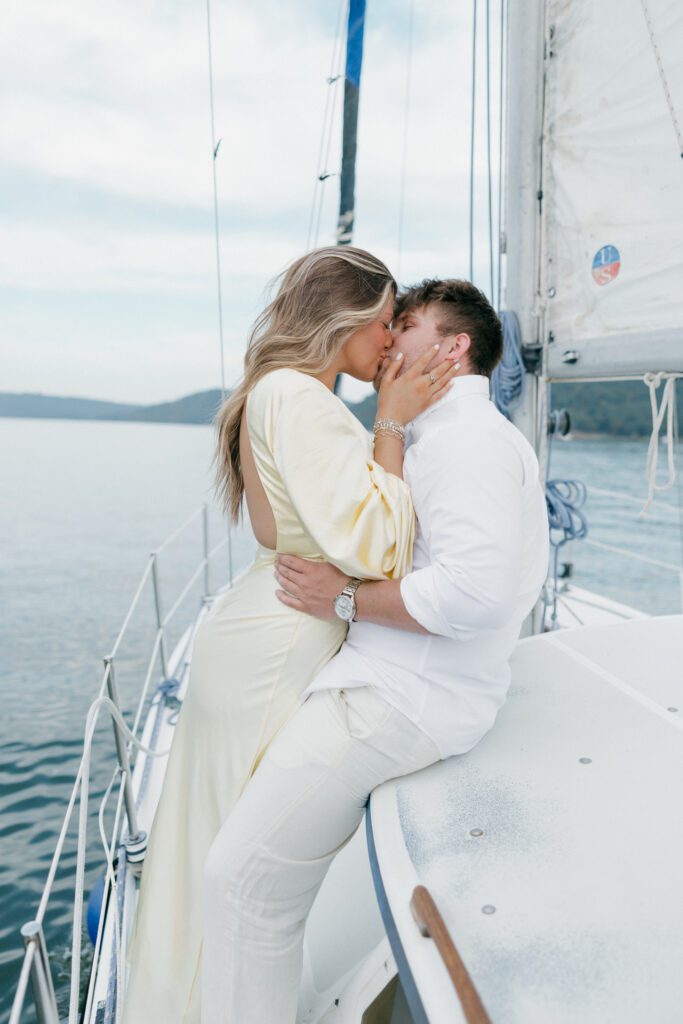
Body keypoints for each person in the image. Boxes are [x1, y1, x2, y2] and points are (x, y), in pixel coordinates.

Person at [201, 279, 550, 1023]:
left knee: (242, 881)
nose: (389, 339)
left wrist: (344, 599)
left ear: (455, 348)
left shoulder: (467, 443)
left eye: (409, 325)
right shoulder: (430, 436)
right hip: (389, 686)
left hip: (394, 701)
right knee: (252, 878)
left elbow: (472, 595)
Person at [123, 250, 458, 1024]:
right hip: (275, 647)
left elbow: (294, 530)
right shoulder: (300, 400)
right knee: (234, 865)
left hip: (260, 630)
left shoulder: (271, 394)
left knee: (208, 849)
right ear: (344, 320)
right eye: (382, 322)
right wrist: (394, 426)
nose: (387, 343)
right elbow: (373, 546)